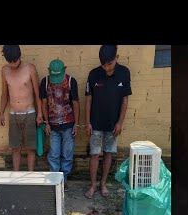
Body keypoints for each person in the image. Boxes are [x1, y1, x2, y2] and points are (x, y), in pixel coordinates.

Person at [84, 45, 132, 198]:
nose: (107, 68)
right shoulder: (94, 74)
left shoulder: (124, 73)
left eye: (110, 64)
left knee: (108, 153)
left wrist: (120, 122)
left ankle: (103, 184)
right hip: (95, 123)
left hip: (113, 125)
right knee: (94, 154)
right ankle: (92, 185)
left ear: (116, 57)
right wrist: (87, 122)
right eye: (104, 65)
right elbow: (88, 100)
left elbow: (125, 100)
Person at [0, 45, 43, 171]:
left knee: (30, 148)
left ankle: (30, 175)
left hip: (29, 112)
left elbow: (37, 93)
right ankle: (16, 175)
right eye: (10, 61)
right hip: (13, 113)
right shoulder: (4, 70)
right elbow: (4, 94)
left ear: (20, 56)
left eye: (15, 61)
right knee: (15, 148)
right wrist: (1, 112)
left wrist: (40, 114)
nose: (13, 64)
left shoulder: (30, 68)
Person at [40, 59, 80, 184]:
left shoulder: (71, 81)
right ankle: (55, 180)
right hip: (53, 126)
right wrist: (46, 123)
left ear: (64, 70)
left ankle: (64, 179)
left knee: (67, 154)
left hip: (68, 125)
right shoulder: (45, 82)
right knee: (54, 154)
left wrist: (76, 124)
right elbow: (44, 103)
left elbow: (76, 103)